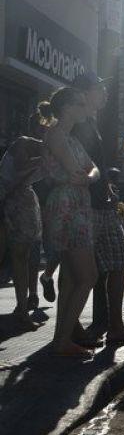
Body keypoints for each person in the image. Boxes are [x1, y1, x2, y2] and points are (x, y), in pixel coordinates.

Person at [71, 72, 124, 346]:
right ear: (84, 92)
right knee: (81, 272)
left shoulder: (91, 122)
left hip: (102, 203)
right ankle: (72, 326)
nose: (105, 93)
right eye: (99, 89)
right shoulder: (77, 123)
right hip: (86, 205)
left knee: (119, 263)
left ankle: (115, 325)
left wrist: (107, 187)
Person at [39, 89, 101, 358]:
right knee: (88, 276)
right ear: (66, 107)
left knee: (72, 277)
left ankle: (61, 340)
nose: (85, 107)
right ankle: (63, 340)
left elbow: (92, 169)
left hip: (76, 203)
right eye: (80, 103)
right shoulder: (56, 135)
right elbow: (78, 171)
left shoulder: (70, 138)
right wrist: (87, 176)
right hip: (68, 206)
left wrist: (88, 177)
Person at [0, 109, 47, 329]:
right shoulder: (23, 143)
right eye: (45, 128)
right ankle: (22, 309)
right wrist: (44, 157)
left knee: (23, 256)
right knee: (17, 256)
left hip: (22, 200)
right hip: (10, 201)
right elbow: (18, 170)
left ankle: (22, 308)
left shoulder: (47, 151)